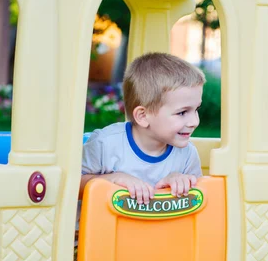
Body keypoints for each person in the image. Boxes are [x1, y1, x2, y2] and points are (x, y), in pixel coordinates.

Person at [79, 52, 206, 204]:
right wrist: (112, 179)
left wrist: (181, 182)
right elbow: (72, 187)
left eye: (196, 109)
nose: (194, 121)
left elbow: (198, 199)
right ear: (143, 116)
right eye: (182, 112)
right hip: (104, 226)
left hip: (160, 227)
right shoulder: (104, 144)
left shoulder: (187, 154)